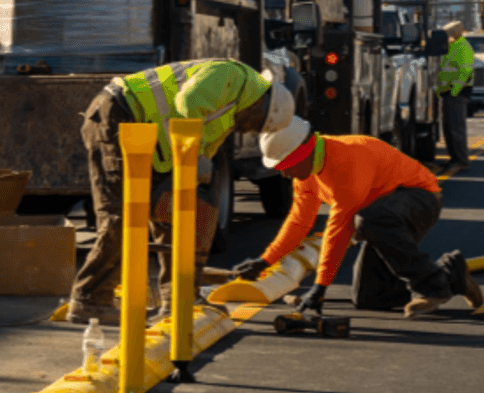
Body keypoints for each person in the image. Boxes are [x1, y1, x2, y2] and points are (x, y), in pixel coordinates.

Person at [67, 58, 296, 324]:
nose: (248, 130)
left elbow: (201, 152)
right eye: (255, 124)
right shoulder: (231, 76)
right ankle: (89, 299)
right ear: (261, 105)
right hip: (119, 114)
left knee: (175, 217)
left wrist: (199, 203)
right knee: (122, 215)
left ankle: (177, 299)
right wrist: (197, 153)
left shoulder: (230, 115)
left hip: (154, 139)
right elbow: (188, 102)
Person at [232, 116, 482, 318]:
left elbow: (338, 229)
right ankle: (451, 274)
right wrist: (265, 261)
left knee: (366, 219)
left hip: (419, 198)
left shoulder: (346, 159)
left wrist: (320, 287)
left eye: (285, 166)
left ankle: (432, 286)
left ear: (300, 154)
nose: (285, 174)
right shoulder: (305, 175)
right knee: (369, 298)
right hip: (383, 215)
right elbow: (299, 223)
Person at [437, 21, 475, 176]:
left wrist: (455, 91)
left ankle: (461, 161)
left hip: (457, 93)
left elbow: (465, 72)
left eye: (448, 34)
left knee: (456, 129)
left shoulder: (463, 47)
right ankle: (454, 159)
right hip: (449, 92)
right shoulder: (453, 46)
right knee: (449, 129)